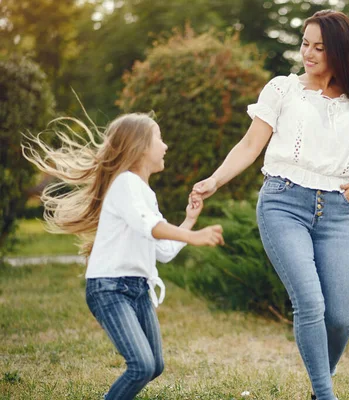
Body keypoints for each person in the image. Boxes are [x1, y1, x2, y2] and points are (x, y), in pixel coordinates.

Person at [193, 10, 349, 399]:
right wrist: (215, 179)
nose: (309, 53)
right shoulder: (283, 89)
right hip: (283, 204)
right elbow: (251, 145)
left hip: (335, 212)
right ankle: (326, 394)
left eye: (319, 47)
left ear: (339, 51)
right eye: (305, 43)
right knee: (311, 304)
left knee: (339, 320)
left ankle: (319, 390)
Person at [22, 113, 224, 400]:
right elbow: (149, 226)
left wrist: (189, 222)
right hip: (110, 288)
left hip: (138, 288)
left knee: (154, 366)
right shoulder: (125, 183)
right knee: (141, 366)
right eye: (159, 138)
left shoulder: (143, 192)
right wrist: (193, 236)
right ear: (141, 147)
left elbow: (162, 251)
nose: (165, 146)